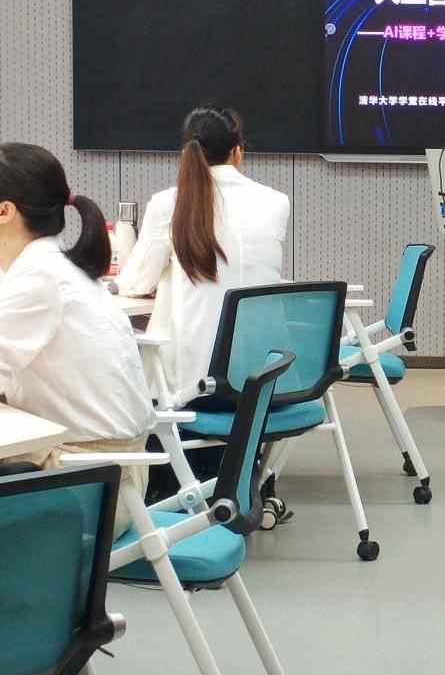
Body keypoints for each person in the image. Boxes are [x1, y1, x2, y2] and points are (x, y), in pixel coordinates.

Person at [0, 143, 155, 537]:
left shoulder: (38, 279)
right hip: (107, 475)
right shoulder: (51, 266)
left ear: (5, 211)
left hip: (86, 487)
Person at [118, 105, 290, 409]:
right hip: (263, 385)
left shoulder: (167, 204)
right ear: (237, 152)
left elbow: (136, 283)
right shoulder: (277, 203)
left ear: (187, 153)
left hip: (190, 391)